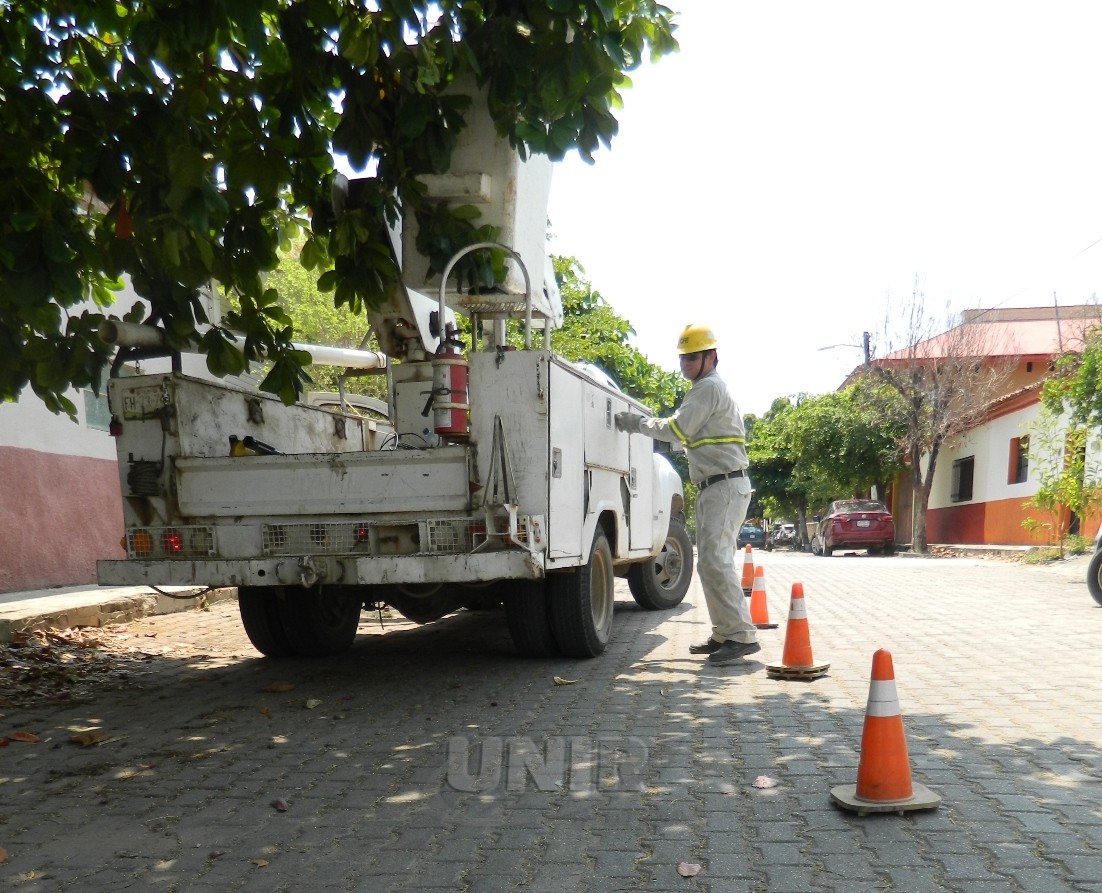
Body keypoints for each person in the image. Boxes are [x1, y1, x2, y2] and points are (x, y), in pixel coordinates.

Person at [614, 324, 760, 666]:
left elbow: (677, 430)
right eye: (682, 358)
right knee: (710, 563)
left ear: (711, 357)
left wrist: (636, 423)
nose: (685, 363)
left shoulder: (707, 389)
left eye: (692, 357)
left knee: (715, 561)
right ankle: (725, 632)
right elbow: (685, 438)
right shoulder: (705, 390)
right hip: (717, 486)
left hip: (723, 485)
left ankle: (740, 635)